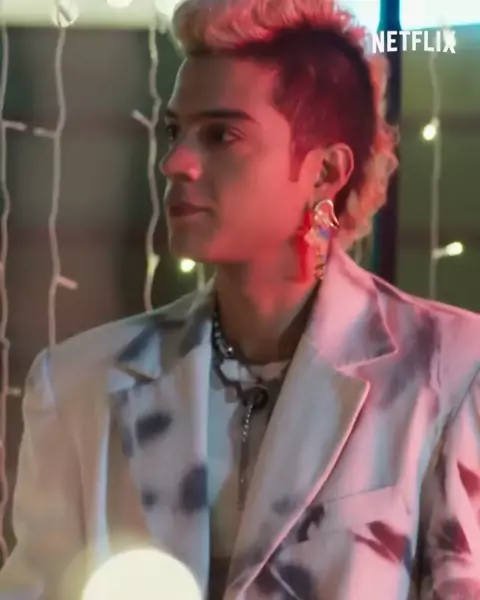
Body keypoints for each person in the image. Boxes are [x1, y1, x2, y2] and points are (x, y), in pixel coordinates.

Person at [1, 0, 480, 598]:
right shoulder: (80, 385)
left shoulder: (449, 367)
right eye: (175, 132)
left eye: (221, 134)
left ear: (325, 172)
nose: (175, 162)